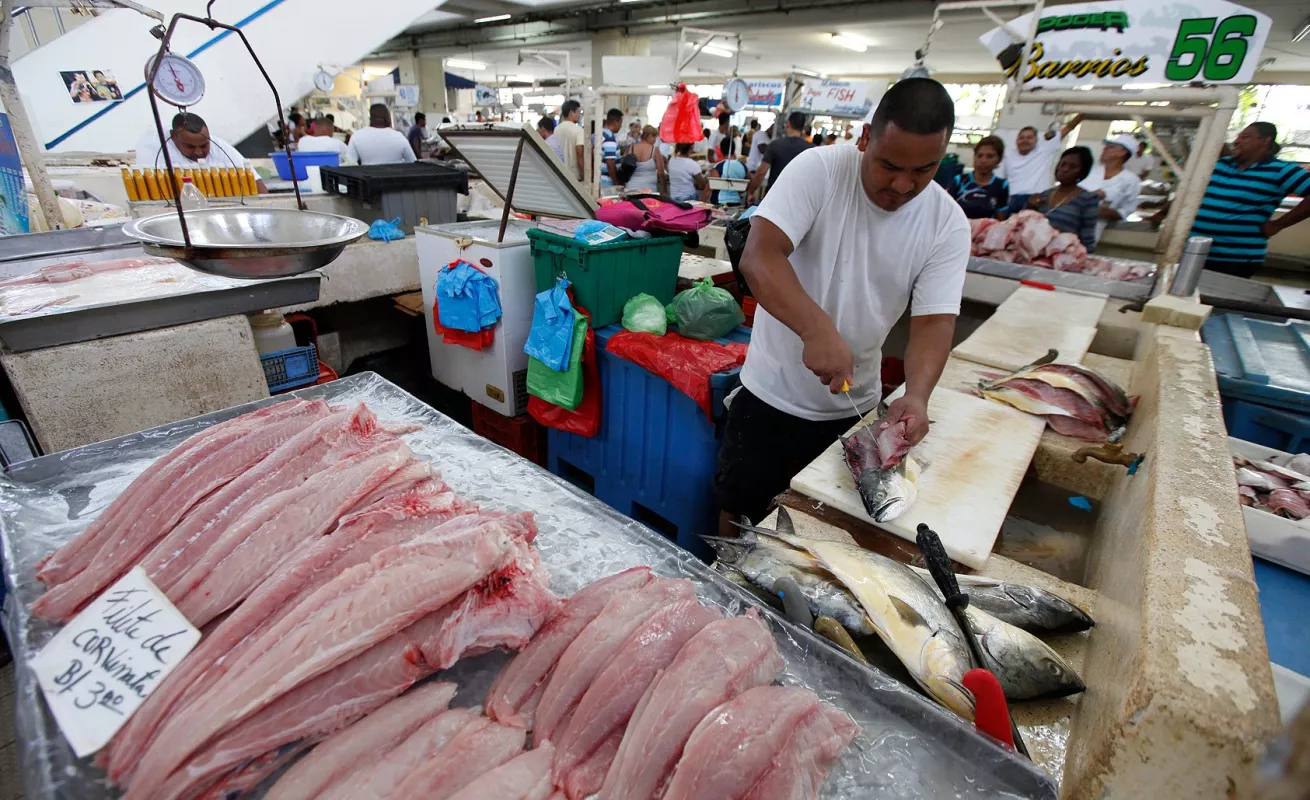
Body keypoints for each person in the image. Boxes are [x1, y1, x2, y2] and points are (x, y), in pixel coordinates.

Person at [714, 78, 969, 531]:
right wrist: (815, 329)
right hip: (771, 398)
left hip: (856, 413)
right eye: (889, 165)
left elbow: (933, 323)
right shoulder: (820, 170)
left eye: (923, 171)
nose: (903, 184)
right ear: (865, 138)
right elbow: (760, 254)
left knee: (824, 533)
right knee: (741, 514)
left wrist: (917, 394)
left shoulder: (947, 223)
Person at [1191, 122, 1310, 278]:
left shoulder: (1281, 170)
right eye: (1238, 137)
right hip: (1193, 251)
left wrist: (1279, 224)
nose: (1237, 141)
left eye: (1245, 137)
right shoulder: (1220, 165)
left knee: (1218, 299)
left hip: (1235, 258)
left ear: (1265, 141)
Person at [136, 112, 268, 193]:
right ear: (173, 136)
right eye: (190, 146)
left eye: (204, 145)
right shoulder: (153, 150)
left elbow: (256, 183)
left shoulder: (219, 146)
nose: (199, 152)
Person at [1000, 115, 1084, 212]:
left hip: (1037, 198)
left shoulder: (1044, 149)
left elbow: (1068, 128)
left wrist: (1083, 113)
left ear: (1036, 140)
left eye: (1029, 137)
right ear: (1017, 140)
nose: (1025, 140)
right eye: (1021, 137)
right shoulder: (1007, 156)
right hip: (1013, 199)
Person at [1028, 146, 1100, 251]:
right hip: (1036, 255)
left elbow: (1087, 239)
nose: (1065, 169)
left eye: (1073, 167)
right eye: (1063, 164)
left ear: (1082, 172)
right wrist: (1030, 206)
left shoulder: (1088, 199)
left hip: (1065, 259)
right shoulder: (1044, 195)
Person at [1082, 134, 1141, 243]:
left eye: (1111, 146)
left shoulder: (1131, 180)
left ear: (1122, 152)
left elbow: (1126, 210)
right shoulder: (1089, 171)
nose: (1105, 148)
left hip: (1092, 231)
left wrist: (1108, 212)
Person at [745, 111, 812, 203]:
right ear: (803, 127)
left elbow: (761, 172)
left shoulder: (775, 145)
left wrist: (751, 192)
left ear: (788, 124)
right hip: (797, 200)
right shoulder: (811, 149)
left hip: (774, 199)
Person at [953, 136, 1010, 219]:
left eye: (990, 156)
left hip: (986, 231)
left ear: (999, 160)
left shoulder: (1002, 186)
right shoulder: (958, 181)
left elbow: (1001, 220)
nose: (983, 161)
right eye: (979, 156)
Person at [346, 104, 416, 165]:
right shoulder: (399, 137)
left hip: (368, 178)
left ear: (370, 118)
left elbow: (349, 164)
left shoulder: (357, 136)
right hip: (395, 178)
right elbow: (413, 162)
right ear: (387, 118)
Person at [625, 125, 665, 194]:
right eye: (654, 138)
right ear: (650, 136)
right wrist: (664, 188)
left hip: (631, 188)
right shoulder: (654, 150)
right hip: (649, 189)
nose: (655, 141)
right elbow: (661, 173)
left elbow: (624, 166)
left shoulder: (630, 148)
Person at [707, 139, 747, 205]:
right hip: (737, 202)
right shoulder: (743, 166)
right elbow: (750, 181)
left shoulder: (718, 166)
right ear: (734, 149)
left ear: (721, 150)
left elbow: (709, 189)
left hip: (719, 202)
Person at [555, 100, 586, 182]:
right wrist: (585, 177)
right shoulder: (578, 131)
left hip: (559, 175)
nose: (579, 115)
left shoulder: (556, 130)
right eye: (578, 112)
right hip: (574, 177)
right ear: (572, 113)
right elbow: (580, 155)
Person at [600, 108, 623, 186]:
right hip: (607, 181)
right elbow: (610, 162)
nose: (621, 126)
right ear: (615, 121)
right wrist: (615, 181)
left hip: (600, 178)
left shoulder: (601, 134)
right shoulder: (609, 138)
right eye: (620, 122)